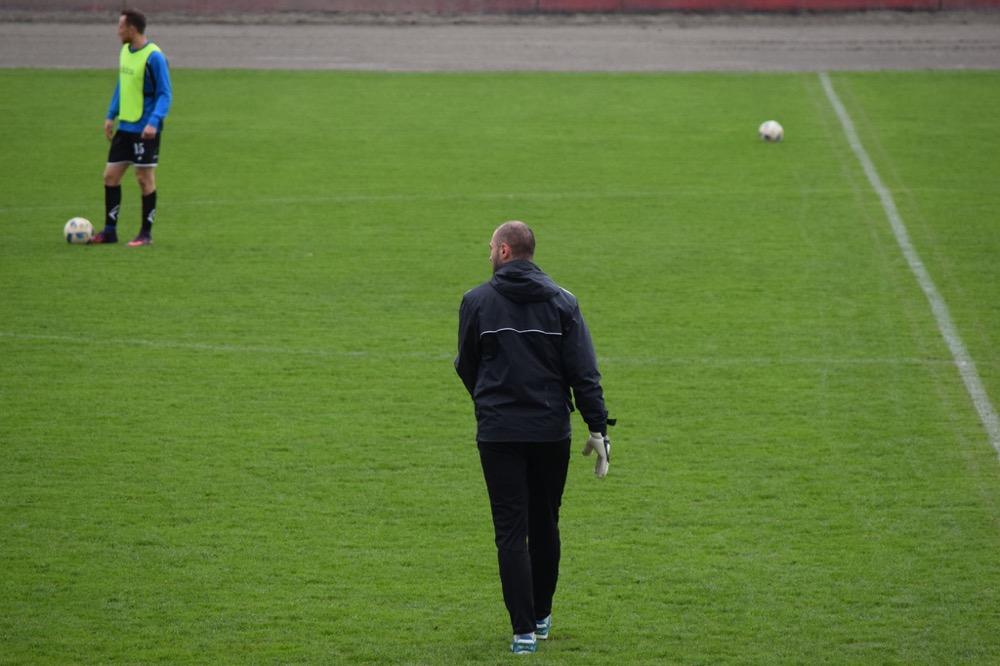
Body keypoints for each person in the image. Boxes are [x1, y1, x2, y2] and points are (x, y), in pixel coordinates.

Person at [455, 220, 614, 655]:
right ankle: (541, 616)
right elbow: (584, 373)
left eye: (491, 246)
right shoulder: (564, 302)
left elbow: (467, 365)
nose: (488, 253)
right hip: (549, 430)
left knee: (510, 530)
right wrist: (597, 427)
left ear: (505, 251)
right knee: (545, 523)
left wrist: (489, 401)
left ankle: (522, 632)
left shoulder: (476, 301)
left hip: (499, 432)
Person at [90, 8, 172, 247]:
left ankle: (145, 234)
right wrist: (110, 114)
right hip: (125, 127)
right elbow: (122, 85)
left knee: (144, 179)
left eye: (121, 27)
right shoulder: (125, 51)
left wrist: (154, 122)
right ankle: (109, 231)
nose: (118, 32)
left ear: (132, 29)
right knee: (110, 176)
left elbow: (165, 94)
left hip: (145, 129)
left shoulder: (154, 57)